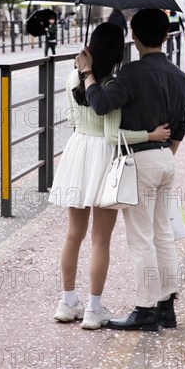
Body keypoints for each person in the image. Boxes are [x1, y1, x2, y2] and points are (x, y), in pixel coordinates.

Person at [49, 22, 171, 330]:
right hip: (104, 158)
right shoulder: (110, 83)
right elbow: (112, 135)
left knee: (72, 235)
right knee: (100, 240)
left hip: (77, 152)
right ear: (119, 51)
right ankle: (93, 309)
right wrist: (150, 134)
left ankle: (66, 302)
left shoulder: (72, 76)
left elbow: (71, 117)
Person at [78, 9, 185, 331]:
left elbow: (100, 104)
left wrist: (87, 73)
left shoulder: (131, 74)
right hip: (166, 160)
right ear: (166, 36)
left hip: (140, 161)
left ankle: (144, 311)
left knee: (141, 238)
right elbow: (182, 125)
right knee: (163, 234)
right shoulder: (180, 77)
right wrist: (165, 153)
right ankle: (166, 307)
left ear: (135, 37)